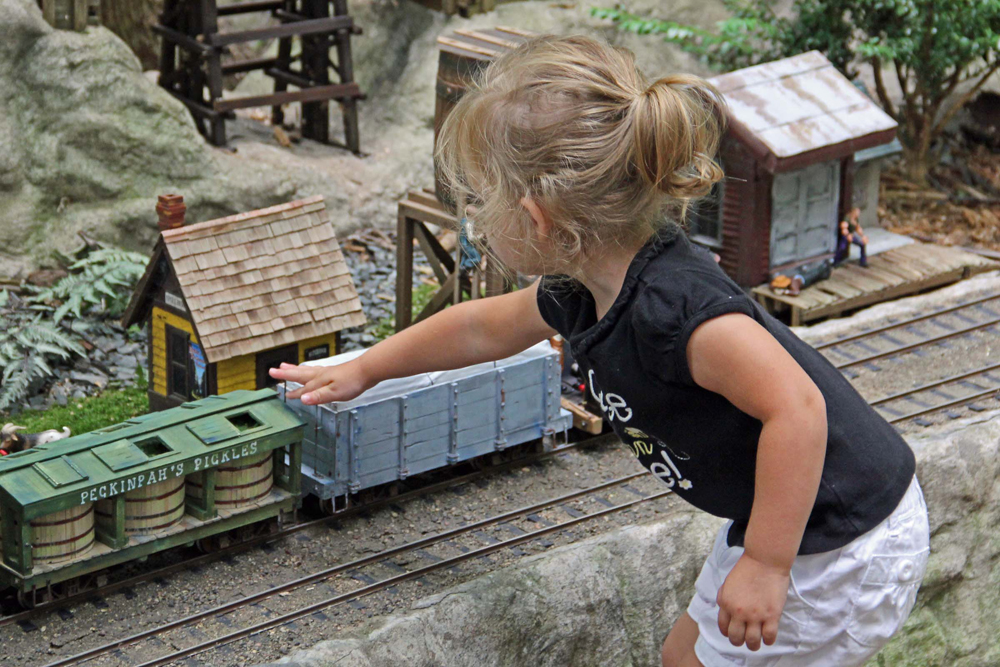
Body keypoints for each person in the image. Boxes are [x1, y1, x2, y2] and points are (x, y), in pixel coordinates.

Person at [269, 35, 928, 667]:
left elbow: (799, 408)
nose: (473, 217)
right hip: (788, 516)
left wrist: (766, 563)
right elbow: (480, 328)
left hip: (842, 533)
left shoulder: (678, 317)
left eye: (478, 200)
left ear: (535, 220)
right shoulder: (580, 288)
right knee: (684, 657)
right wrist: (363, 368)